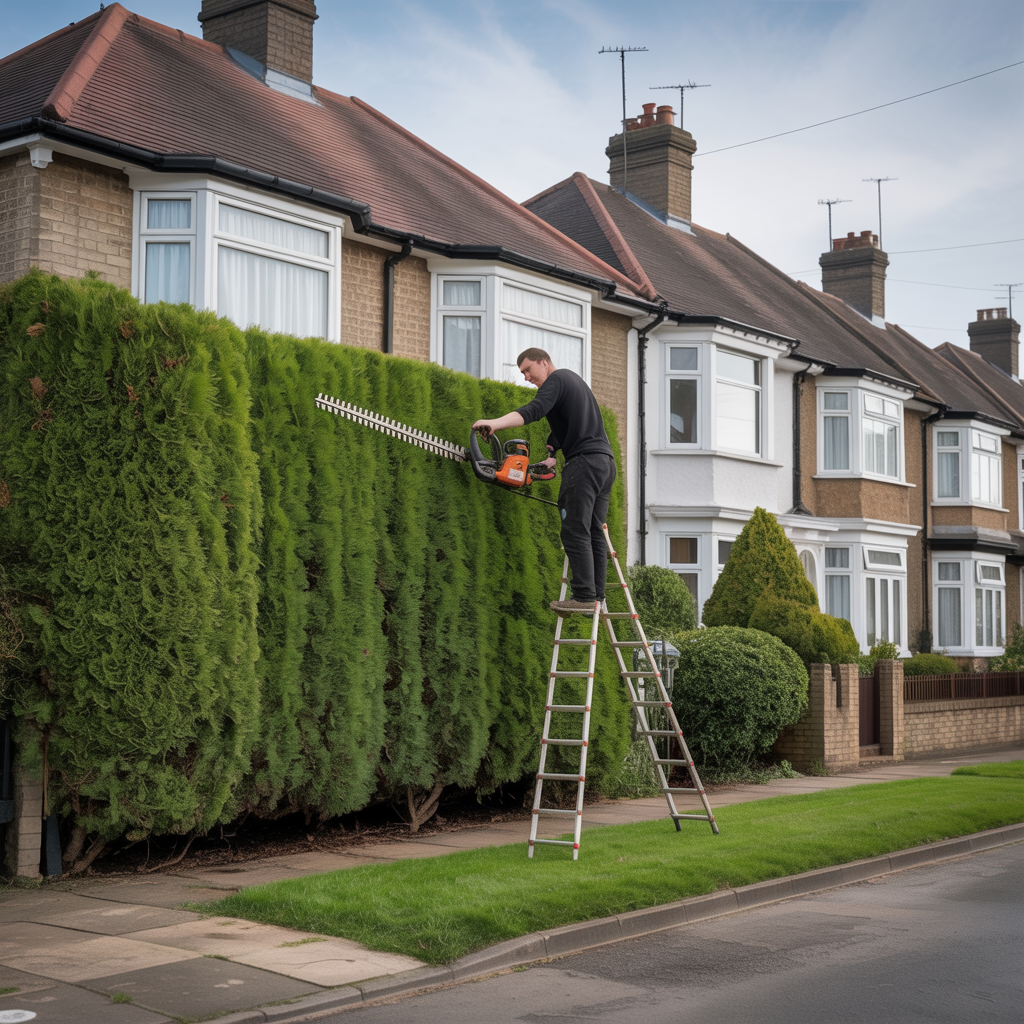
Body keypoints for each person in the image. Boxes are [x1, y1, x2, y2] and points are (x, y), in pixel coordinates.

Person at [472, 348, 616, 615]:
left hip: (583, 464)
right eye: (523, 373)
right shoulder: (574, 382)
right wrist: (552, 454)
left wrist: (494, 423)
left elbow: (534, 410)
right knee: (594, 531)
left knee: (574, 529)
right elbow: (569, 424)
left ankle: (584, 597)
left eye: (528, 370)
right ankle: (597, 596)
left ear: (544, 362)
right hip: (604, 464)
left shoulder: (556, 379)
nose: (527, 377)